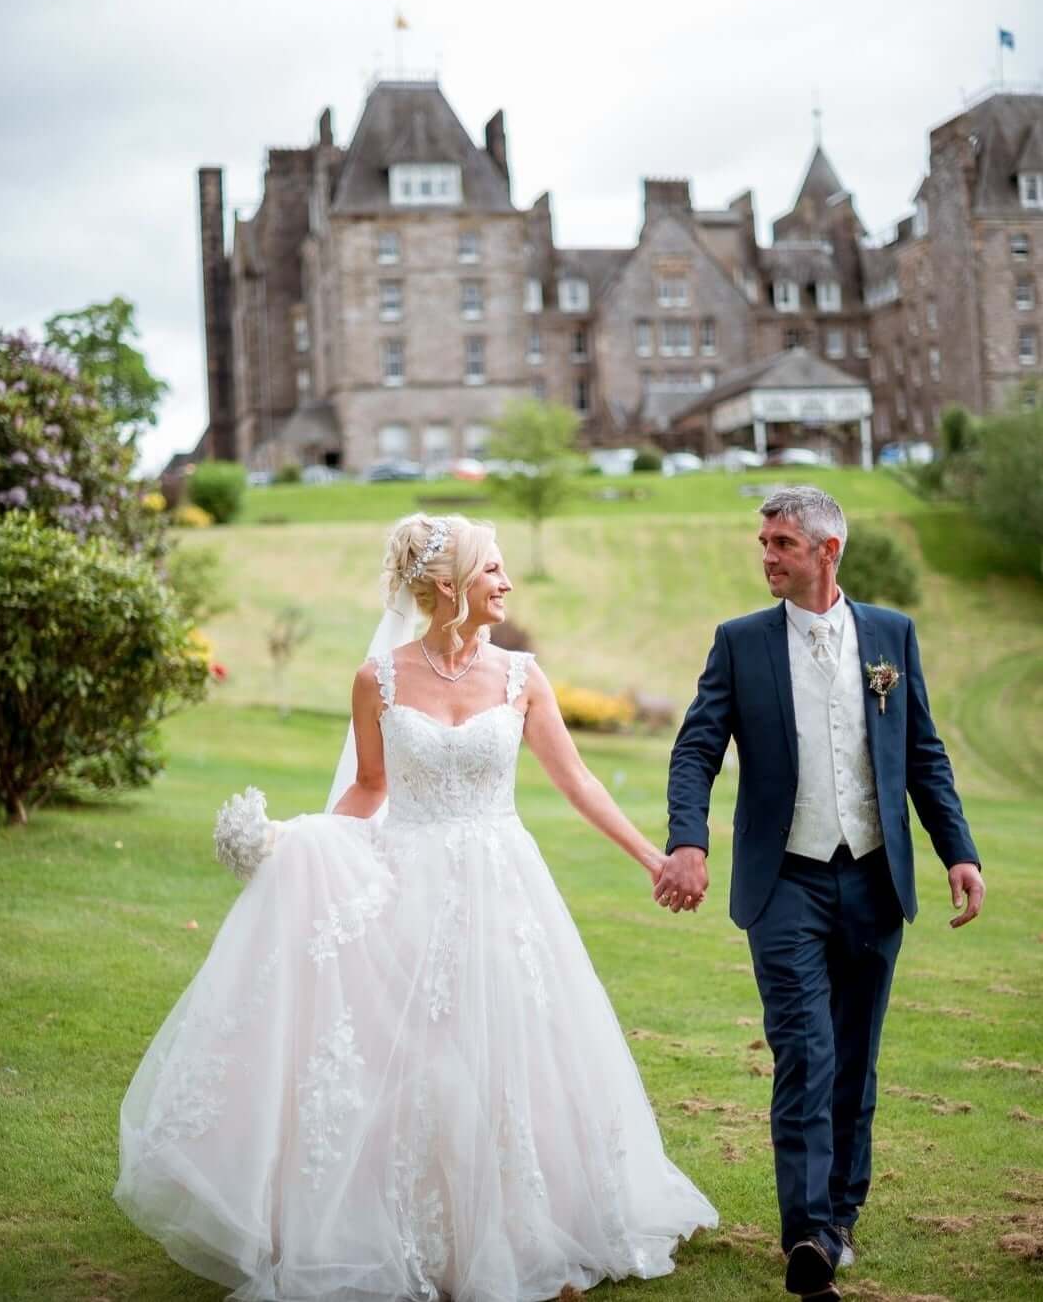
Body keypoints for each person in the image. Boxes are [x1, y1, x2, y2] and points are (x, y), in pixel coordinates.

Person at [115, 512, 716, 1302]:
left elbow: (578, 782)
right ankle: (419, 1228)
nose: (507, 583)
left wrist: (653, 858)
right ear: (446, 585)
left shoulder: (520, 676)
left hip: (504, 885)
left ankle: (528, 1222)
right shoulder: (380, 679)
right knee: (423, 1056)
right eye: (492, 570)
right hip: (409, 884)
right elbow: (370, 787)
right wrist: (296, 844)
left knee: (515, 1046)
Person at [655, 486, 984, 1302]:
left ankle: (840, 1218)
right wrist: (688, 840)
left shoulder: (890, 638)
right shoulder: (740, 644)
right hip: (785, 882)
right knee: (806, 1051)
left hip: (875, 879)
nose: (767, 556)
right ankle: (805, 1234)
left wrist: (959, 853)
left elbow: (925, 756)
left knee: (856, 1059)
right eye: (762, 543)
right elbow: (696, 749)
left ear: (827, 551)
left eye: (781, 544)